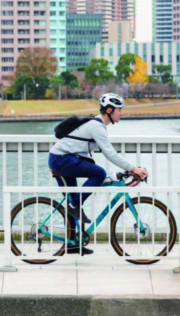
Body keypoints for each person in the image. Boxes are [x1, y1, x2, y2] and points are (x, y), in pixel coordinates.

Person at [48, 93, 148, 254]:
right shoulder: (97, 127)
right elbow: (111, 153)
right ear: (109, 110)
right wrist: (133, 168)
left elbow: (77, 146)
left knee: (76, 196)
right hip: (62, 160)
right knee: (98, 174)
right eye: (119, 110)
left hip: (62, 159)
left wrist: (124, 172)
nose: (121, 113)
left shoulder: (96, 125)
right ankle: (74, 206)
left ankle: (73, 244)